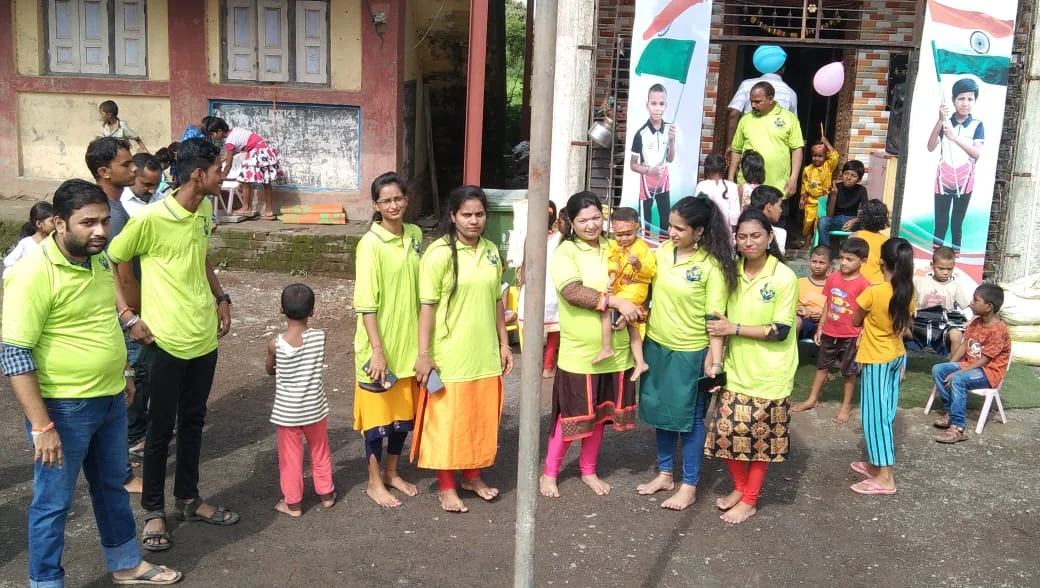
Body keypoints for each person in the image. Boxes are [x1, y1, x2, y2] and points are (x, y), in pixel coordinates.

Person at [2, 179, 182, 586]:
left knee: (112, 488)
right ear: (57, 223)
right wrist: (42, 426)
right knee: (53, 503)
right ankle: (45, 581)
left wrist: (125, 372)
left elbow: (104, 320)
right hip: (63, 409)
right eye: (88, 223)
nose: (101, 230)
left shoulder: (98, 260)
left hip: (111, 399)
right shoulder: (31, 274)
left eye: (103, 220)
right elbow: (15, 354)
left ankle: (126, 564)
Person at [108, 138, 237, 551]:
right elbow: (113, 258)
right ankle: (153, 512)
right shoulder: (150, 218)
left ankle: (188, 499)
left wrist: (220, 298)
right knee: (160, 430)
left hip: (203, 339)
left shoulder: (203, 210)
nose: (224, 175)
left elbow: (200, 257)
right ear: (198, 175)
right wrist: (129, 316)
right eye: (219, 169)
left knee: (194, 422)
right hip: (164, 341)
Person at [412, 185, 514, 513]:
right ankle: (446, 487)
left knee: (480, 419)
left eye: (479, 214)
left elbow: (497, 300)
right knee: (449, 421)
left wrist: (503, 343)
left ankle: (472, 475)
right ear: (452, 216)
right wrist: (424, 354)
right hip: (450, 356)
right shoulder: (438, 253)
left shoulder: (490, 251)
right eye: (466, 214)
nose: (474, 221)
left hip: (484, 353)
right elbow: (426, 307)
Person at [636, 196, 737, 511]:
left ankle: (689, 485)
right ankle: (665, 474)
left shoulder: (711, 266)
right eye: (670, 226)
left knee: (691, 420)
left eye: (680, 228)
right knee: (661, 415)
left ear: (700, 231)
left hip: (691, 352)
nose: (672, 233)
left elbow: (715, 320)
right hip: (657, 345)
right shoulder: (663, 253)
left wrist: (715, 361)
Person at [539, 191, 642, 499]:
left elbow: (635, 282)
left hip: (618, 349)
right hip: (580, 353)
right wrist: (616, 301)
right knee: (570, 417)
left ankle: (588, 470)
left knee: (599, 416)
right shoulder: (565, 252)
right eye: (583, 220)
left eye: (596, 217)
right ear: (570, 222)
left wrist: (631, 307)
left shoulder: (614, 247)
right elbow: (572, 292)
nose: (591, 225)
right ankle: (550, 472)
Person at [705, 208, 798, 524]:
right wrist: (716, 362)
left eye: (756, 235)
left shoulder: (783, 276)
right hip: (736, 368)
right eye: (742, 236)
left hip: (772, 371)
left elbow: (780, 330)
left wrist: (734, 328)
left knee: (761, 442)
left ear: (770, 237)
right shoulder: (731, 273)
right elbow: (716, 323)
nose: (749, 242)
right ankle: (742, 489)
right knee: (725, 436)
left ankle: (750, 500)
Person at [353, 172, 423, 508]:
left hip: (410, 347)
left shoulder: (415, 235)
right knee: (376, 423)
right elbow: (366, 304)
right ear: (375, 205)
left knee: (401, 420)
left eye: (398, 198)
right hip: (378, 348)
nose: (393, 205)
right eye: (386, 201)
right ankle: (373, 481)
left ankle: (393, 473)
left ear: (406, 200)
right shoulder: (370, 244)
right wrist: (377, 351)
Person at [86, 136, 143, 493]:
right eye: (127, 164)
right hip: (123, 317)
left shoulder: (113, 210)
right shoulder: (111, 214)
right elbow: (117, 271)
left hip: (118, 314)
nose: (134, 168)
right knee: (123, 394)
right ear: (104, 172)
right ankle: (119, 472)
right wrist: (133, 316)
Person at [849, 238, 916, 495]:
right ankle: (876, 465)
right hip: (897, 355)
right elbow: (904, 324)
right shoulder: (909, 291)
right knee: (885, 413)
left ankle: (886, 477)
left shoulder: (874, 292)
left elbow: (856, 321)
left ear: (881, 262)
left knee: (875, 418)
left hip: (877, 358)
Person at [265, 283, 335, 515]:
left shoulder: (276, 344)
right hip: (315, 408)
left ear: (281, 310)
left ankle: (293, 503)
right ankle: (326, 493)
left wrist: (273, 359)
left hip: (288, 414)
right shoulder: (319, 337)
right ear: (312, 312)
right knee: (320, 451)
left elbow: (270, 370)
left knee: (291, 459)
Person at [791, 237, 872, 424]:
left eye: (849, 259)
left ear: (863, 261)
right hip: (830, 331)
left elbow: (866, 312)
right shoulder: (833, 278)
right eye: (842, 258)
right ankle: (812, 399)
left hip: (850, 334)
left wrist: (861, 334)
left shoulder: (864, 285)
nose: (844, 263)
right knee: (822, 367)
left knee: (849, 372)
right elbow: (829, 302)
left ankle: (846, 405)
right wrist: (820, 327)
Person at [931, 283, 1011, 443]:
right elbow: (965, 345)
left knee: (958, 380)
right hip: (971, 366)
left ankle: (958, 428)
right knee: (938, 369)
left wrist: (957, 373)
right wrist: (950, 366)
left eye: (976, 300)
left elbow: (985, 361)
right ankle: (950, 413)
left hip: (989, 372)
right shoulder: (976, 322)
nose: (971, 303)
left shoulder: (999, 330)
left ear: (989, 306)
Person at [728, 81, 805, 230]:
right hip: (748, 188)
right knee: (748, 229)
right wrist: (731, 178)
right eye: (751, 101)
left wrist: (794, 177)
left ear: (770, 99)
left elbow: (797, 149)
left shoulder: (789, 118)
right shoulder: (746, 119)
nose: (753, 105)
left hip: (777, 187)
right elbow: (736, 150)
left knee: (775, 231)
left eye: (757, 101)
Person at [596, 207, 653, 380]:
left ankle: (611, 340)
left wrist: (637, 265)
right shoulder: (614, 246)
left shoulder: (642, 248)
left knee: (613, 307)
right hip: (621, 287)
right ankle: (640, 362)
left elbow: (650, 271)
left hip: (636, 288)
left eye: (628, 234)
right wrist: (612, 278)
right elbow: (612, 262)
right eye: (619, 235)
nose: (623, 239)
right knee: (632, 327)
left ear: (637, 229)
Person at [928, 78, 984, 252]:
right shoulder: (945, 123)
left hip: (965, 180)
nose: (965, 103)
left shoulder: (977, 125)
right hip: (943, 179)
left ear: (974, 101)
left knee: (957, 222)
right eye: (961, 99)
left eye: (970, 99)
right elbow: (930, 147)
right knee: (941, 222)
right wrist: (939, 120)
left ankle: (956, 260)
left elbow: (976, 154)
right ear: (953, 101)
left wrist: (955, 138)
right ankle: (935, 258)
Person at [205, 117, 285, 220]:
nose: (213, 137)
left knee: (244, 179)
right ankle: (269, 210)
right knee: (266, 181)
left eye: (212, 134)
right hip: (264, 149)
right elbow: (232, 153)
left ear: (219, 131)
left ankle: (246, 207)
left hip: (257, 152)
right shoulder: (235, 131)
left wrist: (223, 175)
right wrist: (222, 159)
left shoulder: (229, 141)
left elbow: (229, 163)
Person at [518, 201, 563, 378]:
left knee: (531, 331)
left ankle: (532, 366)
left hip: (531, 288)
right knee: (554, 331)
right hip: (552, 288)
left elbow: (524, 263)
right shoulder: (559, 238)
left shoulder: (530, 236)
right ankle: (547, 367)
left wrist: (522, 284)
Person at [726, 45, 799, 150]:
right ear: (783, 69)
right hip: (776, 150)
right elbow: (793, 126)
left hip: (749, 148)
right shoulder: (790, 93)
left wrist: (730, 145)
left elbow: (733, 113)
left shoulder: (747, 85)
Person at [630, 83, 677, 236]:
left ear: (666, 106)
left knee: (665, 222)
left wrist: (671, 141)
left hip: (663, 182)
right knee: (645, 224)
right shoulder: (641, 134)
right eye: (653, 103)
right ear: (647, 105)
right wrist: (649, 170)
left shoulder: (670, 129)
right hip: (647, 183)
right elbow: (633, 165)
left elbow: (670, 159)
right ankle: (646, 251)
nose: (657, 108)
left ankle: (664, 251)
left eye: (661, 104)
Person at [909, 246, 972, 356]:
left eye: (949, 269)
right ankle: (897, 362)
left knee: (956, 335)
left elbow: (975, 306)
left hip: (943, 327)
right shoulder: (919, 281)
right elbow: (906, 302)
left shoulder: (955, 286)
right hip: (919, 324)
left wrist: (971, 322)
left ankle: (953, 366)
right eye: (941, 268)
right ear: (932, 265)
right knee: (899, 329)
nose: (945, 272)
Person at [800, 133, 840, 246]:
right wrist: (803, 198)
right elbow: (804, 185)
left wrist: (827, 143)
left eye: (820, 156)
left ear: (825, 156)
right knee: (808, 223)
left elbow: (835, 156)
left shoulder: (828, 166)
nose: (817, 159)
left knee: (820, 223)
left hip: (824, 200)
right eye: (814, 156)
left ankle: (818, 245)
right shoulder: (807, 169)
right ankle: (807, 243)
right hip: (810, 201)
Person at [819, 160, 868, 247]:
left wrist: (854, 221)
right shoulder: (836, 187)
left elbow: (866, 211)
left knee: (867, 224)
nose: (848, 178)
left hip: (852, 220)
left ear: (859, 179)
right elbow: (829, 215)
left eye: (853, 176)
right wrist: (833, 195)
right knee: (823, 221)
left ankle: (857, 252)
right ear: (842, 174)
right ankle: (825, 250)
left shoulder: (861, 190)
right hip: (835, 219)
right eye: (846, 174)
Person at [3, 202, 55, 279]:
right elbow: (8, 261)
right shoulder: (26, 243)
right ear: (39, 224)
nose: (56, 224)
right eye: (52, 221)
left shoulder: (53, 242)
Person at [695, 153, 741, 231]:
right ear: (725, 168)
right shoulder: (732, 186)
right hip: (726, 232)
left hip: (706, 230)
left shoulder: (701, 185)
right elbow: (735, 216)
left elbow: (697, 210)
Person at [849, 200, 890, 284]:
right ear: (884, 219)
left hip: (857, 283)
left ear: (863, 217)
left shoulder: (854, 236)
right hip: (878, 283)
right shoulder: (886, 241)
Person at [796, 245, 831, 340]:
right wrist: (801, 311)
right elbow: (790, 306)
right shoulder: (799, 282)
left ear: (829, 264)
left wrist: (822, 317)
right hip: (803, 321)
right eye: (814, 262)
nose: (817, 266)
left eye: (822, 263)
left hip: (823, 323)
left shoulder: (833, 285)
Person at [750, 185, 787, 256]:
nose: (781, 210)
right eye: (779, 206)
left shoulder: (741, 228)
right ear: (769, 206)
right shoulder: (780, 234)